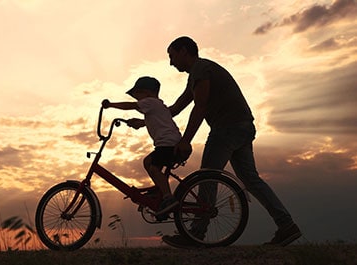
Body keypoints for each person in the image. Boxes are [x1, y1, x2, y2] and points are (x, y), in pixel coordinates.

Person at [159, 36, 301, 247]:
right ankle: (287, 225)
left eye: (172, 56)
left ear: (183, 51)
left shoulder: (201, 69)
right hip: (241, 127)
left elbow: (200, 106)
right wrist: (146, 118)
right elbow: (177, 107)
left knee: (206, 177)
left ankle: (196, 234)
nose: (171, 63)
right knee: (251, 180)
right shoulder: (198, 73)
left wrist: (185, 141)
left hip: (227, 129)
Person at [102, 76, 181, 219]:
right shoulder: (157, 106)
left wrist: (111, 105)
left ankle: (169, 198)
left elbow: (130, 106)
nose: (138, 100)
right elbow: (153, 120)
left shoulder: (150, 102)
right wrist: (140, 122)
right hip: (169, 143)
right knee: (147, 162)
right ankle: (160, 192)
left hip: (168, 144)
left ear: (147, 93)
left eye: (138, 96)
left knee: (154, 168)